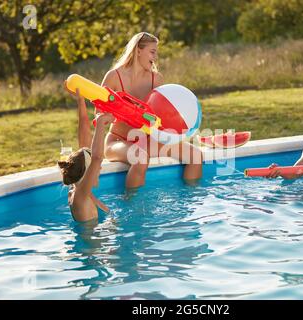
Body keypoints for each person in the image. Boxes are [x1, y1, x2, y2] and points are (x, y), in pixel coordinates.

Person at [99, 31, 203, 188]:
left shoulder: (156, 79)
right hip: (118, 142)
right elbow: (99, 115)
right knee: (141, 159)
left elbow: (161, 117)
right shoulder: (114, 76)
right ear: (138, 50)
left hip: (148, 141)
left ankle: (189, 199)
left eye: (156, 53)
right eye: (152, 52)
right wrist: (124, 112)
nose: (155, 57)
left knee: (196, 155)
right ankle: (132, 208)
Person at [58, 85, 115, 222]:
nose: (100, 168)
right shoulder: (80, 197)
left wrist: (81, 101)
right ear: (86, 173)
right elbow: (96, 158)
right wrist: (100, 122)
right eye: (95, 167)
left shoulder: (76, 187)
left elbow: (84, 144)